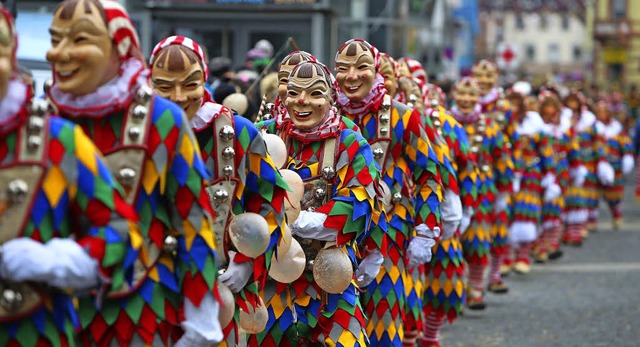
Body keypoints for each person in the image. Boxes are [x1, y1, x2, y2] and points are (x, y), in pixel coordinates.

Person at [45, 1, 222, 345]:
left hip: (142, 307)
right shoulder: (39, 120)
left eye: (80, 39)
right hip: (48, 312)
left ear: (119, 47)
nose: (59, 54)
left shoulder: (163, 120)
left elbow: (194, 219)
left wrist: (202, 315)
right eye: (55, 39)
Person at [0, 5, 139, 346]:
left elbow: (120, 232)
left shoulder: (58, 140)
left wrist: (55, 261)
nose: (59, 52)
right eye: (56, 40)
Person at [149, 35, 289, 346]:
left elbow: (271, 199)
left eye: (190, 84)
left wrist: (247, 259)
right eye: (164, 85)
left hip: (219, 291)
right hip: (147, 289)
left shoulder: (238, 132)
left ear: (204, 78)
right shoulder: (135, 132)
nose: (178, 96)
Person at [252, 60, 384, 346]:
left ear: (331, 97)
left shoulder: (349, 143)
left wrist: (300, 221)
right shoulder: (261, 134)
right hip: (272, 279)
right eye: (294, 92)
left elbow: (359, 207)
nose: (302, 101)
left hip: (330, 280)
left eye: (315, 93)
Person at [335, 38, 444, 347]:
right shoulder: (323, 112)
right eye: (343, 69)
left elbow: (429, 173)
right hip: (332, 234)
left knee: (384, 321)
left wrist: (426, 227)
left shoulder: (404, 116)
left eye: (362, 67)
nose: (352, 76)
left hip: (390, 234)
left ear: (377, 70)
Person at [403, 79, 479, 347]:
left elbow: (465, 167)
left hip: (437, 209)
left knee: (445, 278)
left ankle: (430, 336)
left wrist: (461, 205)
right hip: (396, 217)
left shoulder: (443, 125)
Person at [449, 77, 514, 308]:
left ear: (479, 98)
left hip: (482, 194)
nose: (466, 100)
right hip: (450, 189)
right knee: (450, 242)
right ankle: (452, 290)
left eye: (472, 95)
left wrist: (504, 192)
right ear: (454, 95)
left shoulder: (489, 127)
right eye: (462, 94)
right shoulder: (443, 122)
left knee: (477, 241)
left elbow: (503, 160)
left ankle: (475, 288)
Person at [502, 91, 558, 273]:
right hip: (507, 173)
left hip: (531, 173)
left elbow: (546, 150)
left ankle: (524, 256)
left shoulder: (534, 125)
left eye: (516, 104)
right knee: (506, 213)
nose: (513, 108)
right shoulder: (502, 125)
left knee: (526, 212)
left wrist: (550, 176)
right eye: (510, 103)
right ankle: (506, 257)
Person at [561, 91, 614, 244]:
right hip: (567, 163)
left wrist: (602, 161)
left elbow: (598, 143)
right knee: (567, 198)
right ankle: (566, 230)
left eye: (574, 102)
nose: (572, 105)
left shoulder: (589, 122)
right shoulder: (563, 120)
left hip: (587, 162)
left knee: (586, 196)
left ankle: (581, 226)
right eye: (569, 102)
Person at [537, 92, 584, 260]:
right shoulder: (536, 127)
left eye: (553, 109)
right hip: (540, 171)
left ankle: (553, 243)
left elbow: (573, 147)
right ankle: (540, 246)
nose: (550, 113)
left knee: (556, 207)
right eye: (546, 109)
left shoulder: (565, 127)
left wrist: (577, 167)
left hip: (561, 171)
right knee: (540, 209)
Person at [593, 99, 635, 229]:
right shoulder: (592, 128)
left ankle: (616, 214)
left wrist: (628, 155)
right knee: (593, 193)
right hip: (594, 164)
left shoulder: (616, 128)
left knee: (613, 195)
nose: (601, 114)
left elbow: (626, 143)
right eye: (599, 112)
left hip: (614, 166)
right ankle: (592, 219)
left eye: (604, 112)